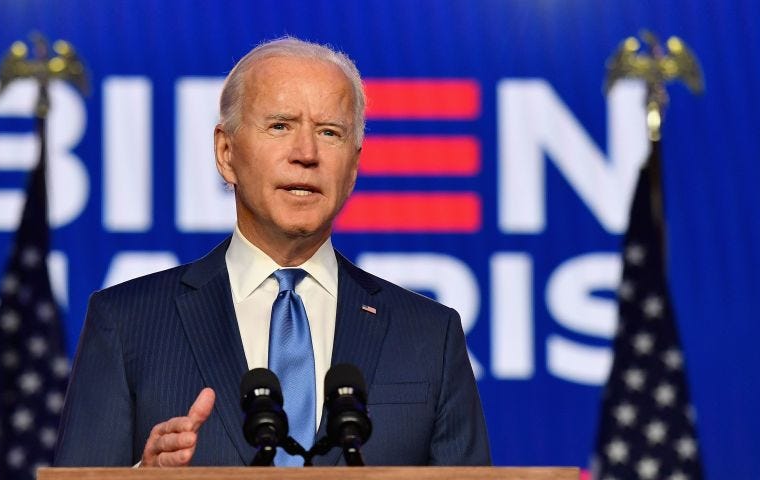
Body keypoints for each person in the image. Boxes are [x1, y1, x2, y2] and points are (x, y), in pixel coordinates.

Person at [54, 36, 490, 467]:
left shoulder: (430, 336)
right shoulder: (127, 323)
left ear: (354, 166)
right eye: (280, 126)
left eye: (329, 132)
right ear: (226, 153)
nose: (306, 154)